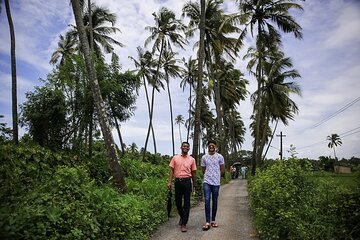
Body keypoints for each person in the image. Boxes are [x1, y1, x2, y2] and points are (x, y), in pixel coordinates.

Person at [167, 141, 197, 233]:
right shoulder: (175, 158)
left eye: (187, 146)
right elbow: (171, 170)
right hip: (177, 182)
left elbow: (193, 172)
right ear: (181, 147)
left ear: (189, 148)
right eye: (184, 146)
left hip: (187, 181)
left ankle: (184, 223)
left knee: (187, 202)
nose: (185, 147)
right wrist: (169, 182)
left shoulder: (192, 159)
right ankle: (182, 215)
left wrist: (195, 184)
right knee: (178, 202)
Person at [201, 140, 225, 231]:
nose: (211, 147)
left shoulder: (220, 157)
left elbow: (222, 169)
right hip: (207, 181)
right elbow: (203, 170)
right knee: (207, 199)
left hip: (216, 182)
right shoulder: (204, 157)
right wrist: (208, 175)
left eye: (213, 145)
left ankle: (213, 220)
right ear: (208, 147)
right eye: (210, 145)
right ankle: (207, 222)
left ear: (215, 147)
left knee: (215, 200)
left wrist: (217, 176)